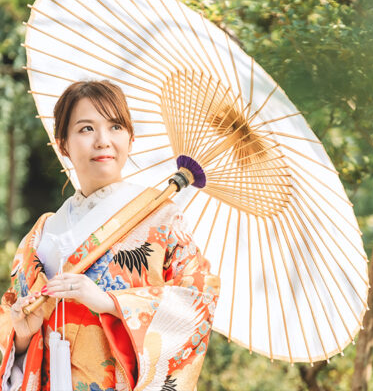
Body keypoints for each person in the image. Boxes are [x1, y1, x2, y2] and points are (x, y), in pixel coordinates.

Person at [0, 80, 220, 391]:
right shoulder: (41, 234)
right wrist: (22, 336)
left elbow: (196, 300)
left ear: (131, 139)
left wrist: (110, 302)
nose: (103, 141)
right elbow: (10, 316)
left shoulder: (162, 220)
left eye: (115, 127)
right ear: (62, 144)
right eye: (86, 129)